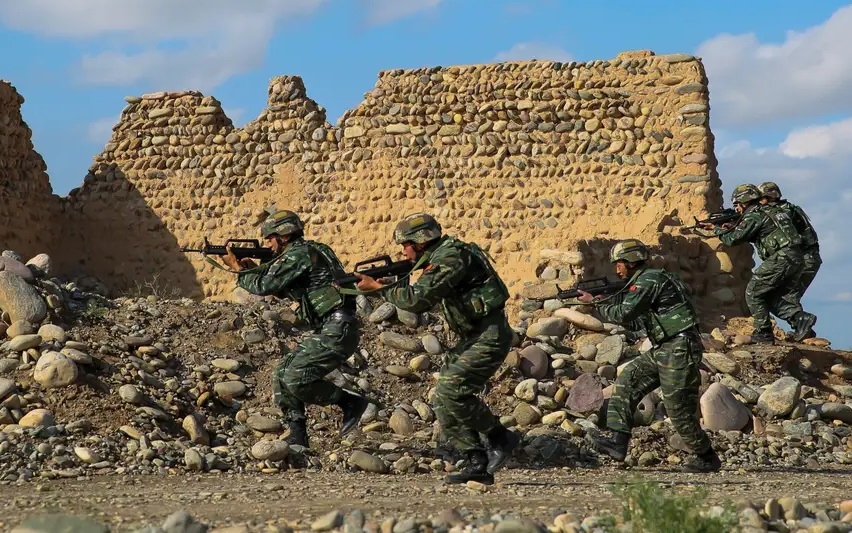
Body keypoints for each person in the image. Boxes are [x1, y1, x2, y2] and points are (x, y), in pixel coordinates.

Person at [355, 213, 519, 485]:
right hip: (472, 336)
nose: (403, 250)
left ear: (420, 242)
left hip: (490, 335)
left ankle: (499, 437)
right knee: (444, 399)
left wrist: (378, 290)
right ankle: (476, 461)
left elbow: (417, 299)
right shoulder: (439, 257)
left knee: (451, 389)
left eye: (405, 244)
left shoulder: (450, 257)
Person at [220, 207, 368, 448]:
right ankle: (298, 435)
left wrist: (239, 270)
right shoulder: (316, 249)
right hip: (332, 327)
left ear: (284, 236)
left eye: (270, 238)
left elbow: (264, 287)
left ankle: (349, 402)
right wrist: (255, 268)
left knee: (296, 377)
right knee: (281, 374)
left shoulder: (298, 254)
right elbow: (284, 286)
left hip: (337, 327)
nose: (268, 244)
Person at [578, 239, 722, 473]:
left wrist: (596, 302)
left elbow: (624, 314)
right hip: (665, 347)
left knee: (677, 408)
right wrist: (609, 299)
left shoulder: (649, 279)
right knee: (627, 382)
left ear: (632, 261)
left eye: (620, 263)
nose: (617, 269)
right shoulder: (645, 281)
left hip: (678, 346)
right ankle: (617, 443)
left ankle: (706, 456)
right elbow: (636, 322)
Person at [700, 184, 816, 343]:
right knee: (771, 297)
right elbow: (760, 232)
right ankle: (800, 319)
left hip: (781, 258)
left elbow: (732, 239)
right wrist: (731, 225)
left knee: (753, 292)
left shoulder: (754, 216)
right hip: (795, 258)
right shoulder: (772, 211)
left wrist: (716, 229)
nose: (737, 209)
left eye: (737, 205)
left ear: (743, 202)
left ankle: (764, 333)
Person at [758, 181, 822, 303]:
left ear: (768, 197)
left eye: (760, 198)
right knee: (784, 298)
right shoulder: (787, 208)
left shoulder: (782, 211)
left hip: (804, 259)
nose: (758, 202)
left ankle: (801, 321)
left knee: (787, 299)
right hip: (805, 258)